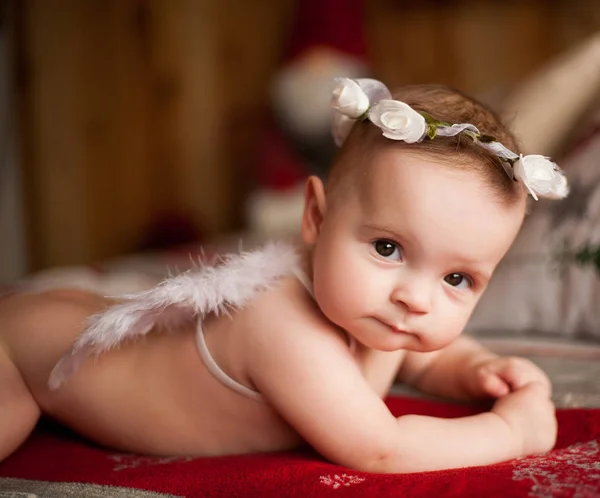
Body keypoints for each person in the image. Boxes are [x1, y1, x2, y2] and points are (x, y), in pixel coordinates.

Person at [0, 78, 567, 473]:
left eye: (458, 280)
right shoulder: (285, 325)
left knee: (87, 310)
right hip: (27, 355)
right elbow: (381, 449)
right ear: (316, 217)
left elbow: (418, 354)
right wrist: (513, 433)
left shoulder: (376, 310)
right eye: (389, 247)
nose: (416, 299)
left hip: (74, 319)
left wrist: (475, 369)